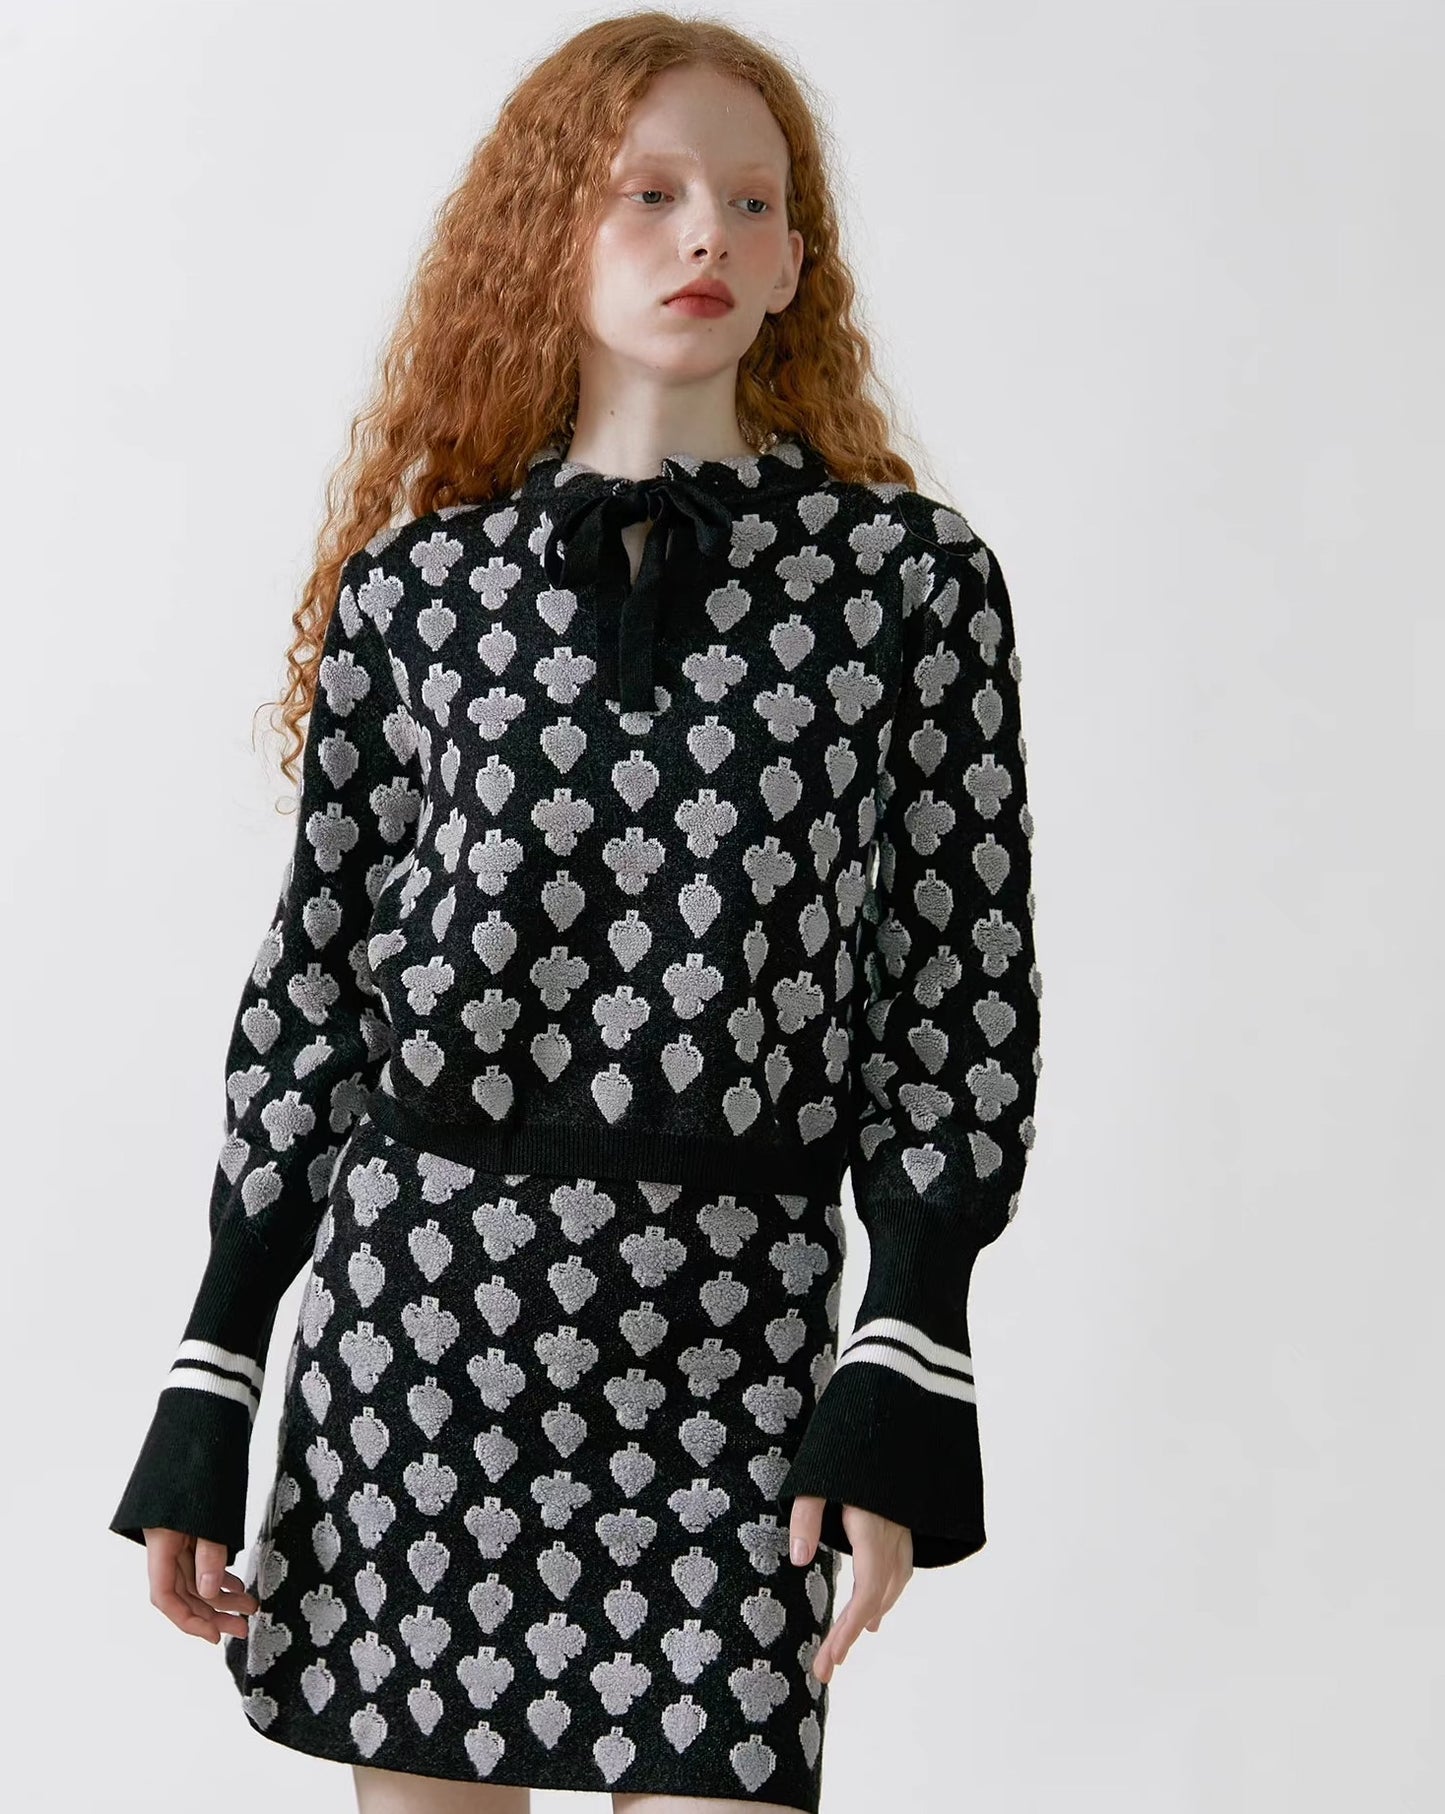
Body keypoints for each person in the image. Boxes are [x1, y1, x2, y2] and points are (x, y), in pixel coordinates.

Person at [109, 12, 1043, 1813]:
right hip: (423, 1331)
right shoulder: (417, 591)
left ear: (796, 264)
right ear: (547, 232)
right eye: (649, 193)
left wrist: (904, 1353)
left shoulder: (906, 585)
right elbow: (315, 988)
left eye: (752, 203)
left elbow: (959, 989)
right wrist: (215, 1362)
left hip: (735, 1336)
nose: (707, 235)